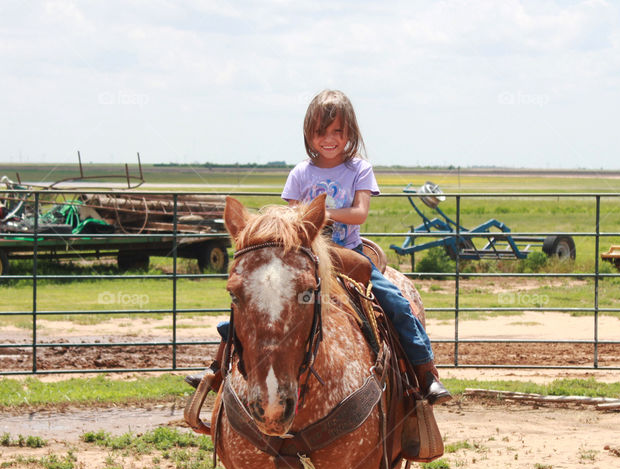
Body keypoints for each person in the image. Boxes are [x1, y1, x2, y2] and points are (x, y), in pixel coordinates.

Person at [187, 89, 450, 405]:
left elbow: (359, 213)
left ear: (349, 133)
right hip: (304, 256)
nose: (329, 139)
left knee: (395, 302)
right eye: (321, 132)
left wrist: (320, 215)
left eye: (337, 131)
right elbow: (290, 221)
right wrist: (304, 223)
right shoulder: (301, 172)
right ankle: (218, 369)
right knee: (254, 305)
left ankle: (426, 373)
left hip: (348, 254)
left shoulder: (359, 170)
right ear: (309, 135)